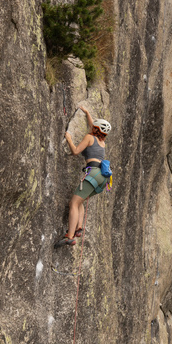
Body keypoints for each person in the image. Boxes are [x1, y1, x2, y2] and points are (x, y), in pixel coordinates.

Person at [54, 104, 112, 247]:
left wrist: (69, 138)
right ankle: (79, 227)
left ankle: (70, 236)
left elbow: (75, 151)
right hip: (103, 177)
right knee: (80, 200)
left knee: (73, 203)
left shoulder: (89, 137)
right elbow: (94, 125)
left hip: (93, 173)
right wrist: (87, 112)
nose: (91, 127)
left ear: (95, 129)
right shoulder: (102, 142)